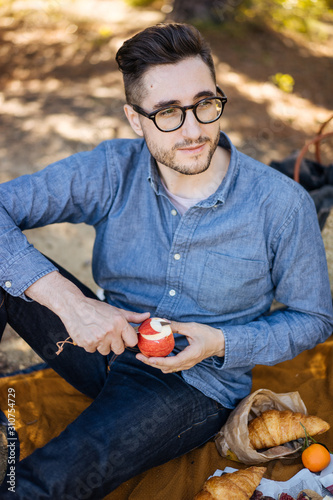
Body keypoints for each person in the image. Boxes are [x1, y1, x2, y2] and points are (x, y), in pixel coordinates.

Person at [0, 22, 332, 499]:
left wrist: (221, 341)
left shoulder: (282, 205)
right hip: (105, 340)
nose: (195, 130)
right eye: (168, 113)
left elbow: (315, 318)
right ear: (135, 120)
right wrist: (73, 304)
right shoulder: (113, 168)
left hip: (194, 385)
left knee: (39, 483)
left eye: (205, 104)